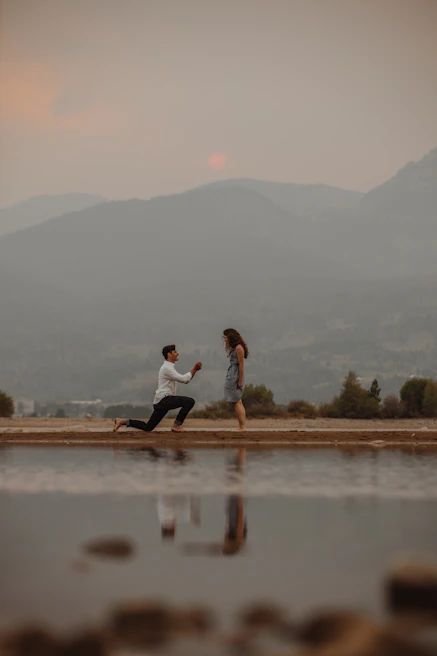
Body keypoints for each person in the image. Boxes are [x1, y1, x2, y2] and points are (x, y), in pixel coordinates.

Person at [113, 345, 202, 433]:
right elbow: (184, 380)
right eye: (175, 352)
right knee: (189, 401)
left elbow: (185, 379)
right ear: (169, 354)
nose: (177, 353)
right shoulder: (167, 368)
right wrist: (195, 369)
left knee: (148, 427)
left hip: (160, 401)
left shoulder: (169, 367)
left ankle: (122, 421)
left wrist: (194, 370)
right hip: (164, 400)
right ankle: (176, 425)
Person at [223, 328, 249, 431]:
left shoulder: (239, 348)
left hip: (235, 375)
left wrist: (240, 380)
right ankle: (242, 425)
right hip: (232, 373)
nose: (224, 340)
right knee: (237, 401)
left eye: (225, 338)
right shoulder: (234, 347)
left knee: (237, 401)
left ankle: (242, 426)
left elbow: (241, 365)